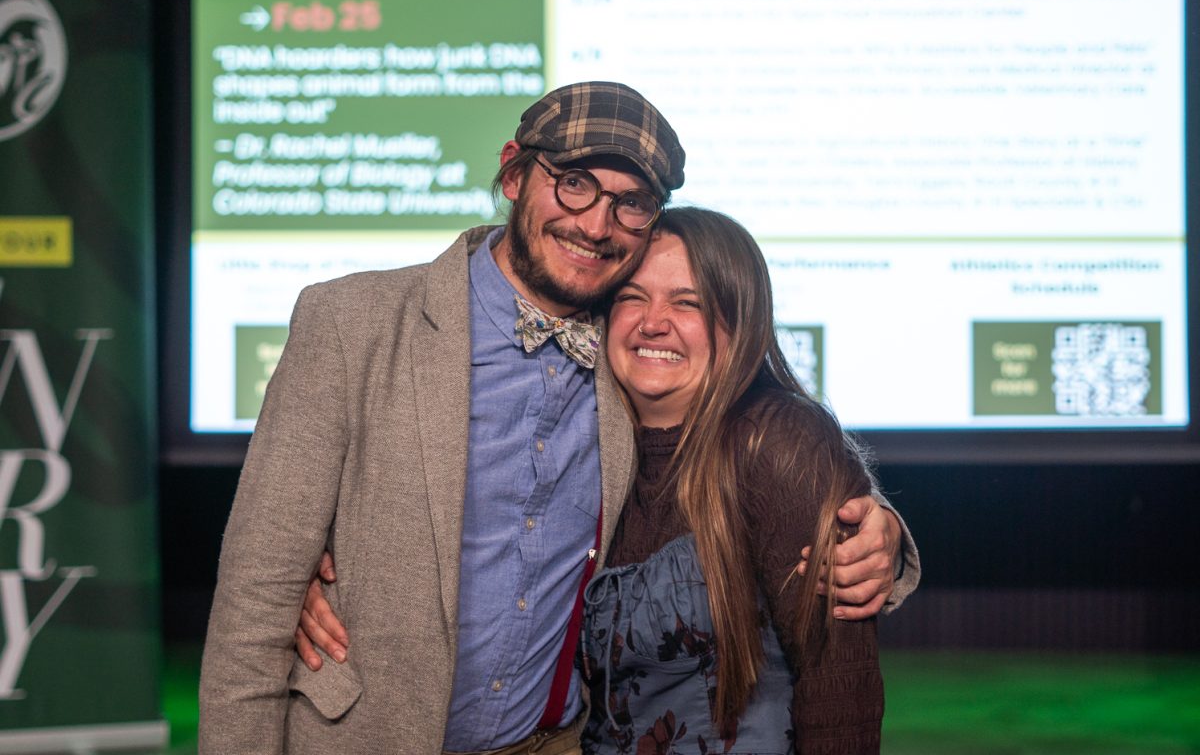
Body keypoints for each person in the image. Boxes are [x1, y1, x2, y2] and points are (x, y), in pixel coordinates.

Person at [199, 82, 919, 755]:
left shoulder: (628, 345)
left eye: (630, 202)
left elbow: (748, 429)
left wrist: (876, 526)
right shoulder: (350, 323)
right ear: (514, 175)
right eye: (574, 182)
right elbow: (254, 601)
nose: (596, 224)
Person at [581, 207, 881, 752]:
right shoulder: (582, 447)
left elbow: (838, 685)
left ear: (738, 322)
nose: (652, 322)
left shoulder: (779, 441)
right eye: (631, 296)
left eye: (687, 302)